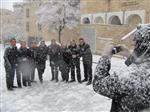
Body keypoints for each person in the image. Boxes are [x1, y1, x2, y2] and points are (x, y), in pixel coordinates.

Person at [93, 24, 150, 112]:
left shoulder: (129, 77)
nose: (134, 47)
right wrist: (131, 57)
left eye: (135, 45)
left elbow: (99, 84)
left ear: (142, 45)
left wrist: (104, 57)